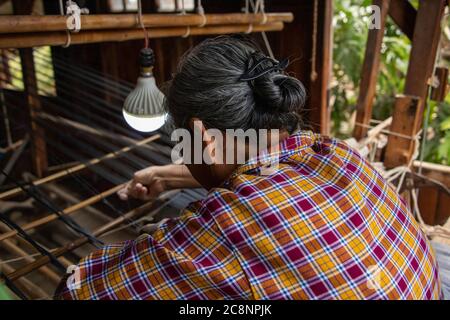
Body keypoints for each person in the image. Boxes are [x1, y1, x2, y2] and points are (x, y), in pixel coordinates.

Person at [57, 36, 441, 300]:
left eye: (178, 140)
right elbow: (268, 175)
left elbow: (76, 290)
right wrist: (166, 174)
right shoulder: (336, 154)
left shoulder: (223, 226)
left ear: (201, 136)